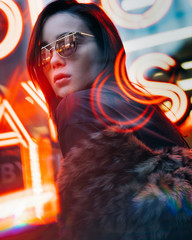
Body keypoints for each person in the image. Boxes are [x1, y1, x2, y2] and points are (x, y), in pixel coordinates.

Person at [27, 1, 192, 239]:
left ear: (103, 48)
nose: (54, 61)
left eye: (67, 43)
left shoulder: (77, 107)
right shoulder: (139, 108)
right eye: (45, 52)